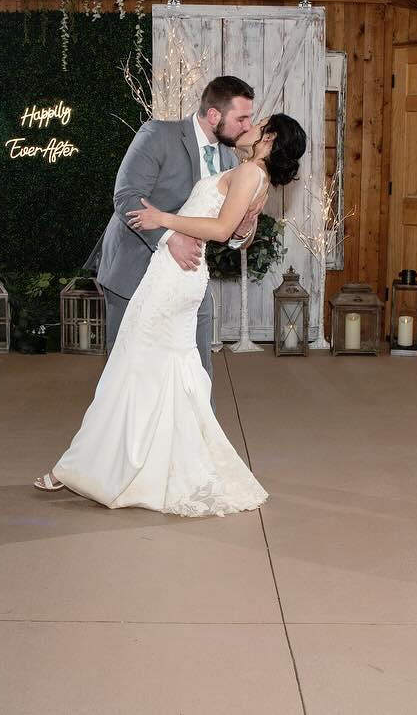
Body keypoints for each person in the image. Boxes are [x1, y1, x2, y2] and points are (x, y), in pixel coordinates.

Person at [35, 114, 308, 517]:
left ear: (269, 139)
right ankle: (137, 467)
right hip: (175, 274)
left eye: (259, 124)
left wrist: (161, 218)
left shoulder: (251, 172)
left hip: (174, 278)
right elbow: (236, 229)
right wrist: (239, 227)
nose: (248, 127)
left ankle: (91, 469)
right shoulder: (253, 174)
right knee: (161, 371)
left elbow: (221, 230)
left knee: (130, 367)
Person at [84, 76, 265, 379]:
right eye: (241, 118)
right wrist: (170, 237)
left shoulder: (228, 159)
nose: (248, 126)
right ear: (214, 115)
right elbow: (126, 197)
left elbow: (225, 231)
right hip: (133, 267)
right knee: (129, 371)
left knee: (197, 370)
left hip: (189, 276)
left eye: (250, 118)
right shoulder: (157, 134)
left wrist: (244, 228)